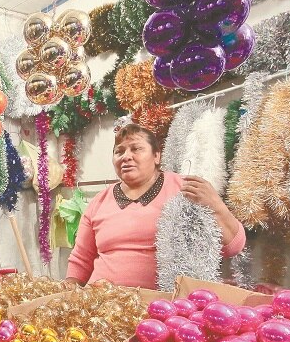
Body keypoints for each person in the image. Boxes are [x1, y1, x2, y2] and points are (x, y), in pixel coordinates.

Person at [66, 120, 246, 290]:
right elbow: (81, 259)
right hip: (101, 306)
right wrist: (65, 295)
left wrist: (216, 205)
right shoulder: (99, 201)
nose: (126, 156)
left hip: (167, 310)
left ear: (157, 156)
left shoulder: (186, 189)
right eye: (119, 152)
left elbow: (233, 246)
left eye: (136, 149)